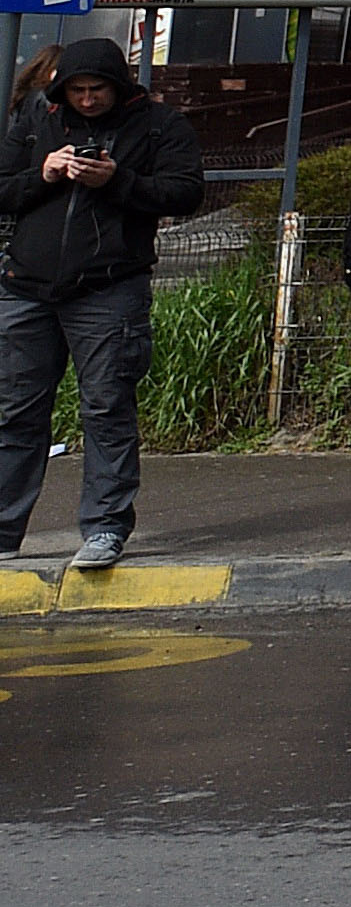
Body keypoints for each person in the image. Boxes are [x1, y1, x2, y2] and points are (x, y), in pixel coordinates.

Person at [0, 35, 207, 568]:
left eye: (97, 90)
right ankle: (3, 531)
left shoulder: (161, 125)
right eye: (77, 90)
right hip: (27, 285)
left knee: (107, 409)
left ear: (118, 86)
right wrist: (44, 174)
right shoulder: (36, 117)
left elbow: (185, 193)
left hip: (109, 287)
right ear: (61, 88)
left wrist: (119, 180)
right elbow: (3, 187)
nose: (87, 100)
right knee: (14, 413)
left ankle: (105, 529)